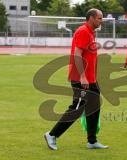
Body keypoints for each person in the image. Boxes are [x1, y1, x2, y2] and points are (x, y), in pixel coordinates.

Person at [44, 8, 108, 150]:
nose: (101, 21)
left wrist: (92, 77)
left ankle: (92, 141)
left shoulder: (91, 33)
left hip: (91, 79)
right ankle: (52, 135)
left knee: (94, 107)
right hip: (81, 79)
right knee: (77, 109)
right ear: (91, 18)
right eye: (99, 18)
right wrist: (83, 76)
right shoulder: (83, 31)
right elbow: (77, 55)